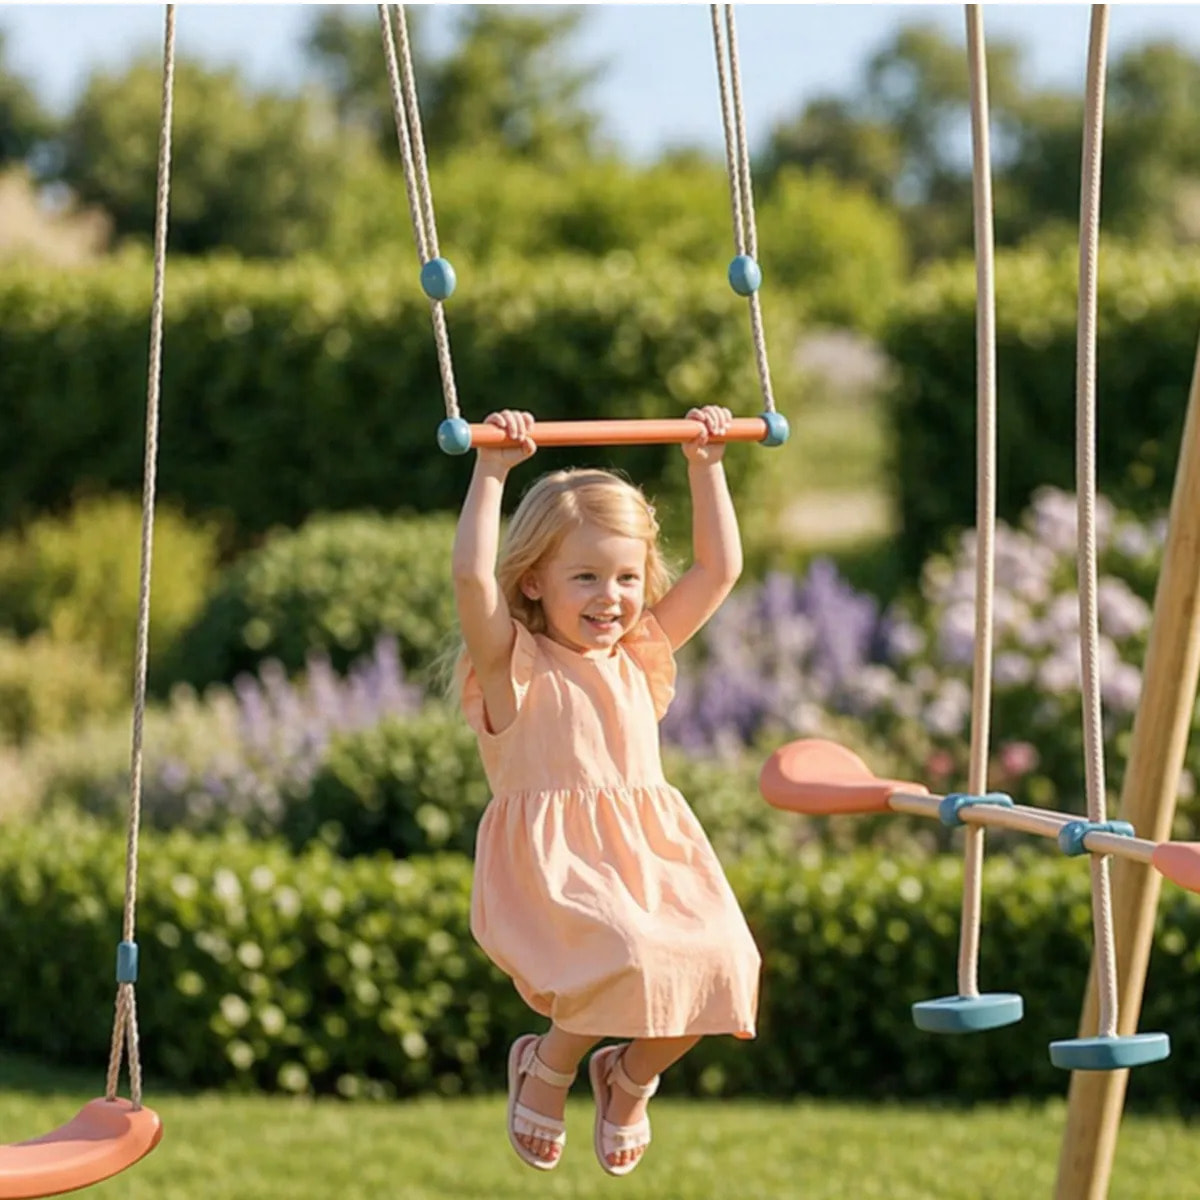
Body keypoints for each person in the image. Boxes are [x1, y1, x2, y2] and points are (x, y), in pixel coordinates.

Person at [452, 406, 761, 1176]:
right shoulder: (515, 667)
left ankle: (628, 1077)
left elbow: (718, 571)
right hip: (559, 865)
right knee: (624, 953)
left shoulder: (639, 654)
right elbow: (470, 578)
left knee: (726, 962)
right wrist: (491, 471)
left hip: (650, 852)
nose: (611, 597)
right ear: (534, 580)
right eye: (585, 577)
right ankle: (548, 1064)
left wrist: (707, 465)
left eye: (627, 577)